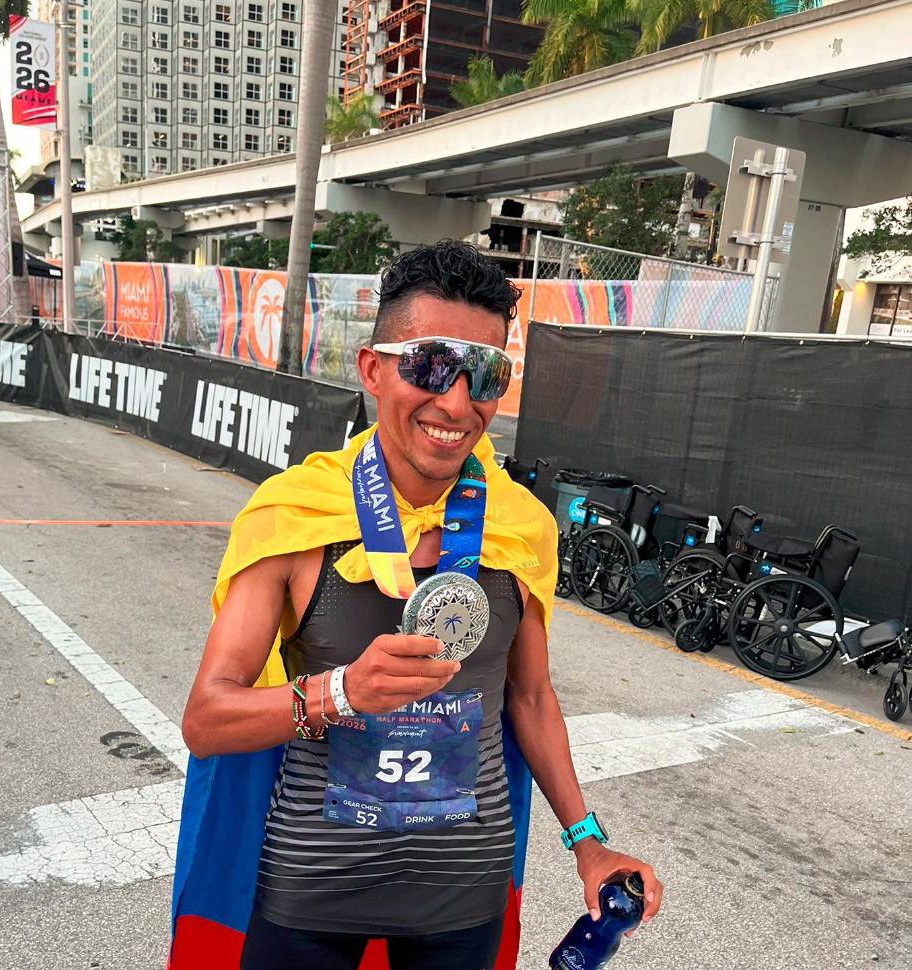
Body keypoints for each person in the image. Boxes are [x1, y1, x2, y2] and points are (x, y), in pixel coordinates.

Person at [173, 241, 663, 970]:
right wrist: (341, 691)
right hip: (311, 897)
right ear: (374, 369)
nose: (457, 402)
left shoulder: (520, 526)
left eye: (486, 373)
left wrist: (588, 843)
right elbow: (207, 720)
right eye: (430, 365)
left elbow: (528, 698)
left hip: (464, 901)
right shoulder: (296, 514)